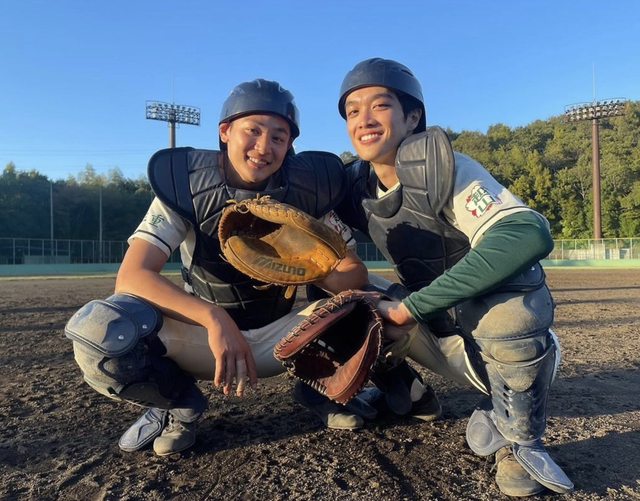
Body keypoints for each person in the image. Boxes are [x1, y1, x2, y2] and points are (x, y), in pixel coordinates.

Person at [65, 78, 371, 457]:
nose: (264, 147)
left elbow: (355, 273)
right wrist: (213, 318)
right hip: (203, 342)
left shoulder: (309, 191)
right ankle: (178, 405)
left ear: (290, 144)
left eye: (278, 137)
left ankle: (320, 389)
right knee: (99, 329)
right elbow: (132, 276)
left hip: (284, 338)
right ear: (225, 131)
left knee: (375, 303)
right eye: (253, 130)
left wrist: (311, 269)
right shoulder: (188, 185)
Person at [334, 58, 574, 497]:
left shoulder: (444, 167)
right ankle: (408, 392)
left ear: (413, 117)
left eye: (380, 105)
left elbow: (526, 233)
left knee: (512, 303)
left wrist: (410, 308)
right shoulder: (355, 186)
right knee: (343, 299)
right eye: (352, 111)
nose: (363, 120)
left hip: (498, 347)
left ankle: (518, 438)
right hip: (436, 330)